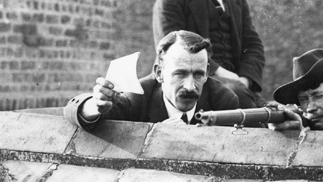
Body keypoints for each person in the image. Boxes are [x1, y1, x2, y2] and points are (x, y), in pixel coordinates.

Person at [64, 30, 239, 129]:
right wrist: (95, 105)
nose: (190, 86)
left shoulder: (224, 101)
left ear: (207, 72)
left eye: (198, 75)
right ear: (159, 73)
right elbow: (72, 111)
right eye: (180, 74)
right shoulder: (136, 98)